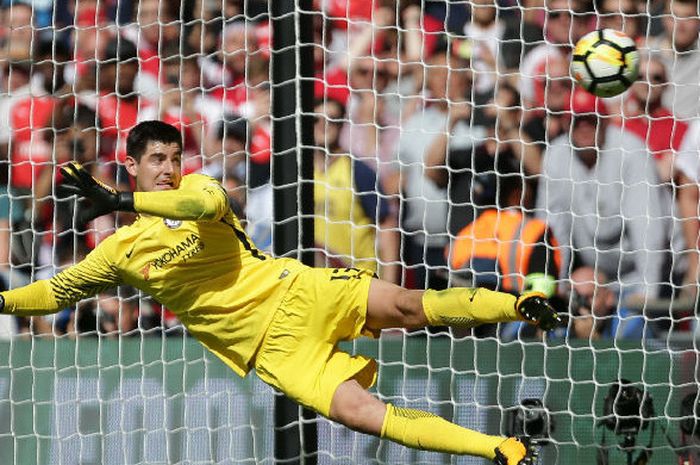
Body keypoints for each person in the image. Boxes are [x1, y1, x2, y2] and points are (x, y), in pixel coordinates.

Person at [0, 121, 563, 465]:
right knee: (365, 413)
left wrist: (125, 202)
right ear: (131, 165)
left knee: (407, 307)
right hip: (275, 352)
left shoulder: (197, 188)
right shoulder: (120, 253)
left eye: (175, 158)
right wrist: (3, 301)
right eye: (157, 160)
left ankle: (518, 304)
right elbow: (56, 291)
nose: (170, 169)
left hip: (298, 290)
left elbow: (197, 206)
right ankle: (499, 449)